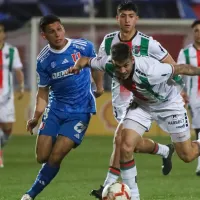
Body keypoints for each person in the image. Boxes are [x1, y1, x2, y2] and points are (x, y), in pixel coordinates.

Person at [69, 42, 200, 199]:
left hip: (169, 105)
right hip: (142, 104)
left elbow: (181, 68)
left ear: (132, 59)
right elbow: (85, 60)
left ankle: (170, 150)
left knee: (187, 155)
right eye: (119, 67)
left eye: (126, 65)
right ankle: (135, 196)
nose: (122, 70)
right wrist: (77, 67)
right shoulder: (108, 63)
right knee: (125, 146)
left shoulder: (151, 70)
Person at [89, 1, 178, 199]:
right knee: (130, 145)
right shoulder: (108, 40)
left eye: (131, 16)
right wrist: (100, 86)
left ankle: (108, 186)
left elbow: (171, 64)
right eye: (123, 16)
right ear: (117, 18)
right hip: (120, 97)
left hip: (141, 97)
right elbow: (98, 64)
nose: (127, 20)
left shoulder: (148, 43)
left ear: (136, 18)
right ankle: (164, 150)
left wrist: (176, 87)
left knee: (120, 141)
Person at [20, 14, 97, 200]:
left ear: (63, 28)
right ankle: (58, 141)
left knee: (55, 157)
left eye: (59, 29)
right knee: (42, 157)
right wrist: (36, 116)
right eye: (52, 32)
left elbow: (97, 65)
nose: (58, 34)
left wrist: (99, 87)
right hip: (55, 109)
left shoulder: (83, 46)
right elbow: (43, 92)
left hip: (80, 111)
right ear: (44, 36)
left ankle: (30, 195)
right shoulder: (43, 60)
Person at [177, 19, 200, 176]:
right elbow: (178, 74)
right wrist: (181, 91)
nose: (199, 33)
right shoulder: (185, 53)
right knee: (198, 129)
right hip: (194, 97)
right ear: (193, 33)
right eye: (196, 30)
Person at [0, 23, 24, 168]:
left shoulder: (12, 51)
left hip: (6, 96)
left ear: (4, 34)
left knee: (8, 128)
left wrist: (21, 87)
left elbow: (18, 71)